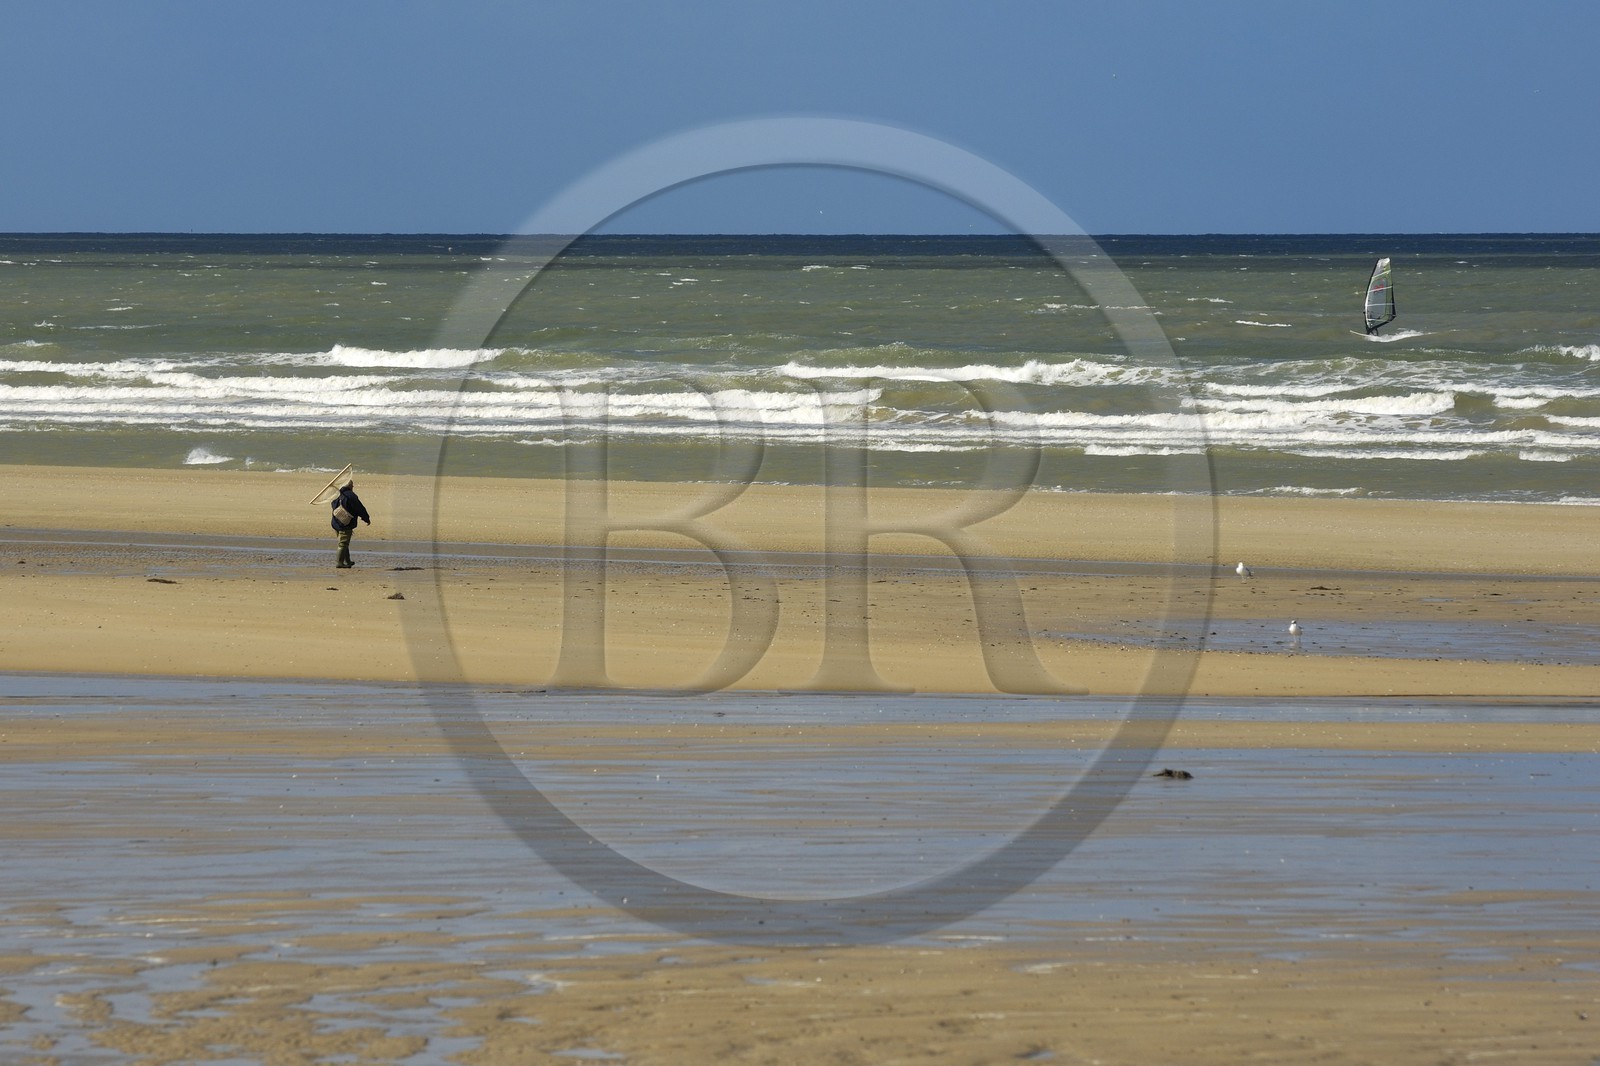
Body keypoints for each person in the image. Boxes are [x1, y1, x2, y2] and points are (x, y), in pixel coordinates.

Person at [330, 477, 371, 568]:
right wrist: (366, 518)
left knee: (344, 542)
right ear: (349, 486)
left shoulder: (337, 494)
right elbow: (359, 508)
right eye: (352, 484)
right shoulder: (351, 496)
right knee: (343, 543)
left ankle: (347, 561)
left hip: (336, 522)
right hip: (345, 523)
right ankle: (339, 563)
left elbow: (333, 505)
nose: (353, 486)